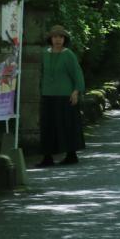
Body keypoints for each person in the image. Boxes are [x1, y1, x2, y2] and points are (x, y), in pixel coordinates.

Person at [37, 25, 86, 166]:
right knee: (48, 126)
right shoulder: (44, 53)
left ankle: (71, 154)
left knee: (66, 125)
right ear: (50, 39)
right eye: (55, 37)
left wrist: (76, 91)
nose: (57, 40)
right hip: (48, 94)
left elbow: (77, 73)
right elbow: (41, 73)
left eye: (61, 37)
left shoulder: (68, 54)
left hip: (65, 95)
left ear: (65, 39)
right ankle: (47, 157)